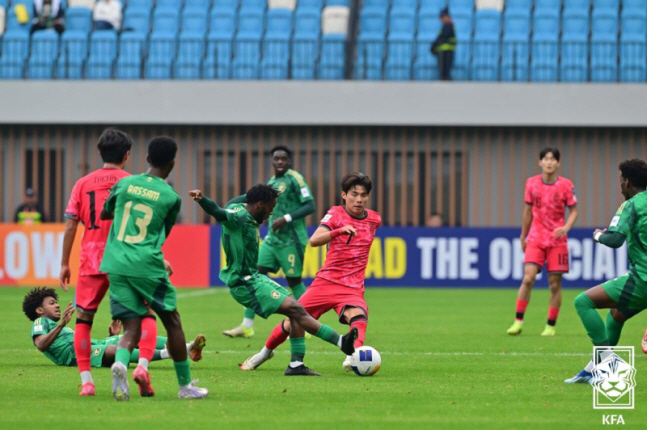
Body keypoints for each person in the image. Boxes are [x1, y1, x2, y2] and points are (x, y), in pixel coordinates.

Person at [191, 184, 357, 376]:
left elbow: (233, 202)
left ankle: (296, 365)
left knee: (295, 308)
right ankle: (341, 342)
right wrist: (202, 199)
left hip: (254, 278)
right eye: (270, 208)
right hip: (244, 284)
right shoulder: (239, 217)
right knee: (296, 309)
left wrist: (266, 192)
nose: (271, 213)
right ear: (260, 205)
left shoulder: (240, 208)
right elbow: (218, 212)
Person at [100, 137, 208, 400]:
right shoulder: (171, 197)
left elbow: (105, 213)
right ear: (172, 163)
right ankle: (184, 387)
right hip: (146, 264)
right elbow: (162, 232)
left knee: (131, 328)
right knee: (172, 321)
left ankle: (121, 366)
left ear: (147, 159)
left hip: (115, 262)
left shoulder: (124, 183)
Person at [241, 172, 380, 373]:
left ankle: (354, 355)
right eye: (353, 194)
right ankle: (264, 352)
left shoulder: (374, 219)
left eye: (363, 195)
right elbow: (314, 240)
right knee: (292, 320)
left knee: (359, 317)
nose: (358, 199)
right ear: (344, 194)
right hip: (326, 282)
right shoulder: (335, 214)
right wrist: (338, 231)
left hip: (352, 287)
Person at [60, 128, 162, 397]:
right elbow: (145, 226)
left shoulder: (82, 184)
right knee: (145, 314)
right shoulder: (134, 183)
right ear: (127, 155)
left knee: (83, 320)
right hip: (127, 258)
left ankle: (87, 383)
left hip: (92, 259)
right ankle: (141, 367)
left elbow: (71, 226)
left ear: (100, 153)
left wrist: (64, 263)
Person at [565, 159, 647, 384]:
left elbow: (615, 240)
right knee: (616, 315)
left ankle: (608, 364)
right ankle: (592, 368)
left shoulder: (631, 205)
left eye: (621, 180)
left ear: (627, 182)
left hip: (642, 279)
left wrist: (598, 235)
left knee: (583, 302)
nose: (619, 184)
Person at [223, 146, 316, 338]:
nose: (280, 162)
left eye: (284, 158)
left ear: (289, 161)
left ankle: (305, 322)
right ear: (272, 161)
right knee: (252, 274)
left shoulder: (296, 179)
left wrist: (287, 218)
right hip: (272, 240)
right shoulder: (272, 182)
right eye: (276, 159)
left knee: (294, 280)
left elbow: (310, 205)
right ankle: (246, 326)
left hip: (292, 239)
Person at [22, 287, 206, 369]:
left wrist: (110, 335)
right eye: (51, 303)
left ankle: (185, 345)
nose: (57, 306)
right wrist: (62, 323)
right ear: (39, 310)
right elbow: (41, 345)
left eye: (56, 302)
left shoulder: (55, 326)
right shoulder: (41, 323)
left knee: (130, 336)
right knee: (119, 349)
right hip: (76, 355)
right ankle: (176, 351)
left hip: (92, 346)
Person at [507, 147, 578, 337]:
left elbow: (574, 211)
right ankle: (518, 321)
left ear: (558, 163)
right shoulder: (531, 183)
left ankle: (550, 326)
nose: (549, 162)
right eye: (545, 159)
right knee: (528, 278)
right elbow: (527, 211)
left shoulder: (565, 185)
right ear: (540, 162)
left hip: (557, 239)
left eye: (552, 159)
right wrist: (524, 235)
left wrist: (566, 227)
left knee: (554, 284)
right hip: (536, 237)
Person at [430, 7, 456, 81]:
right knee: (443, 70)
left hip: (447, 52)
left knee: (446, 69)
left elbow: (441, 37)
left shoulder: (449, 26)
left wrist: (434, 45)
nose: (441, 19)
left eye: (442, 17)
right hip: (442, 51)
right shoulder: (446, 26)